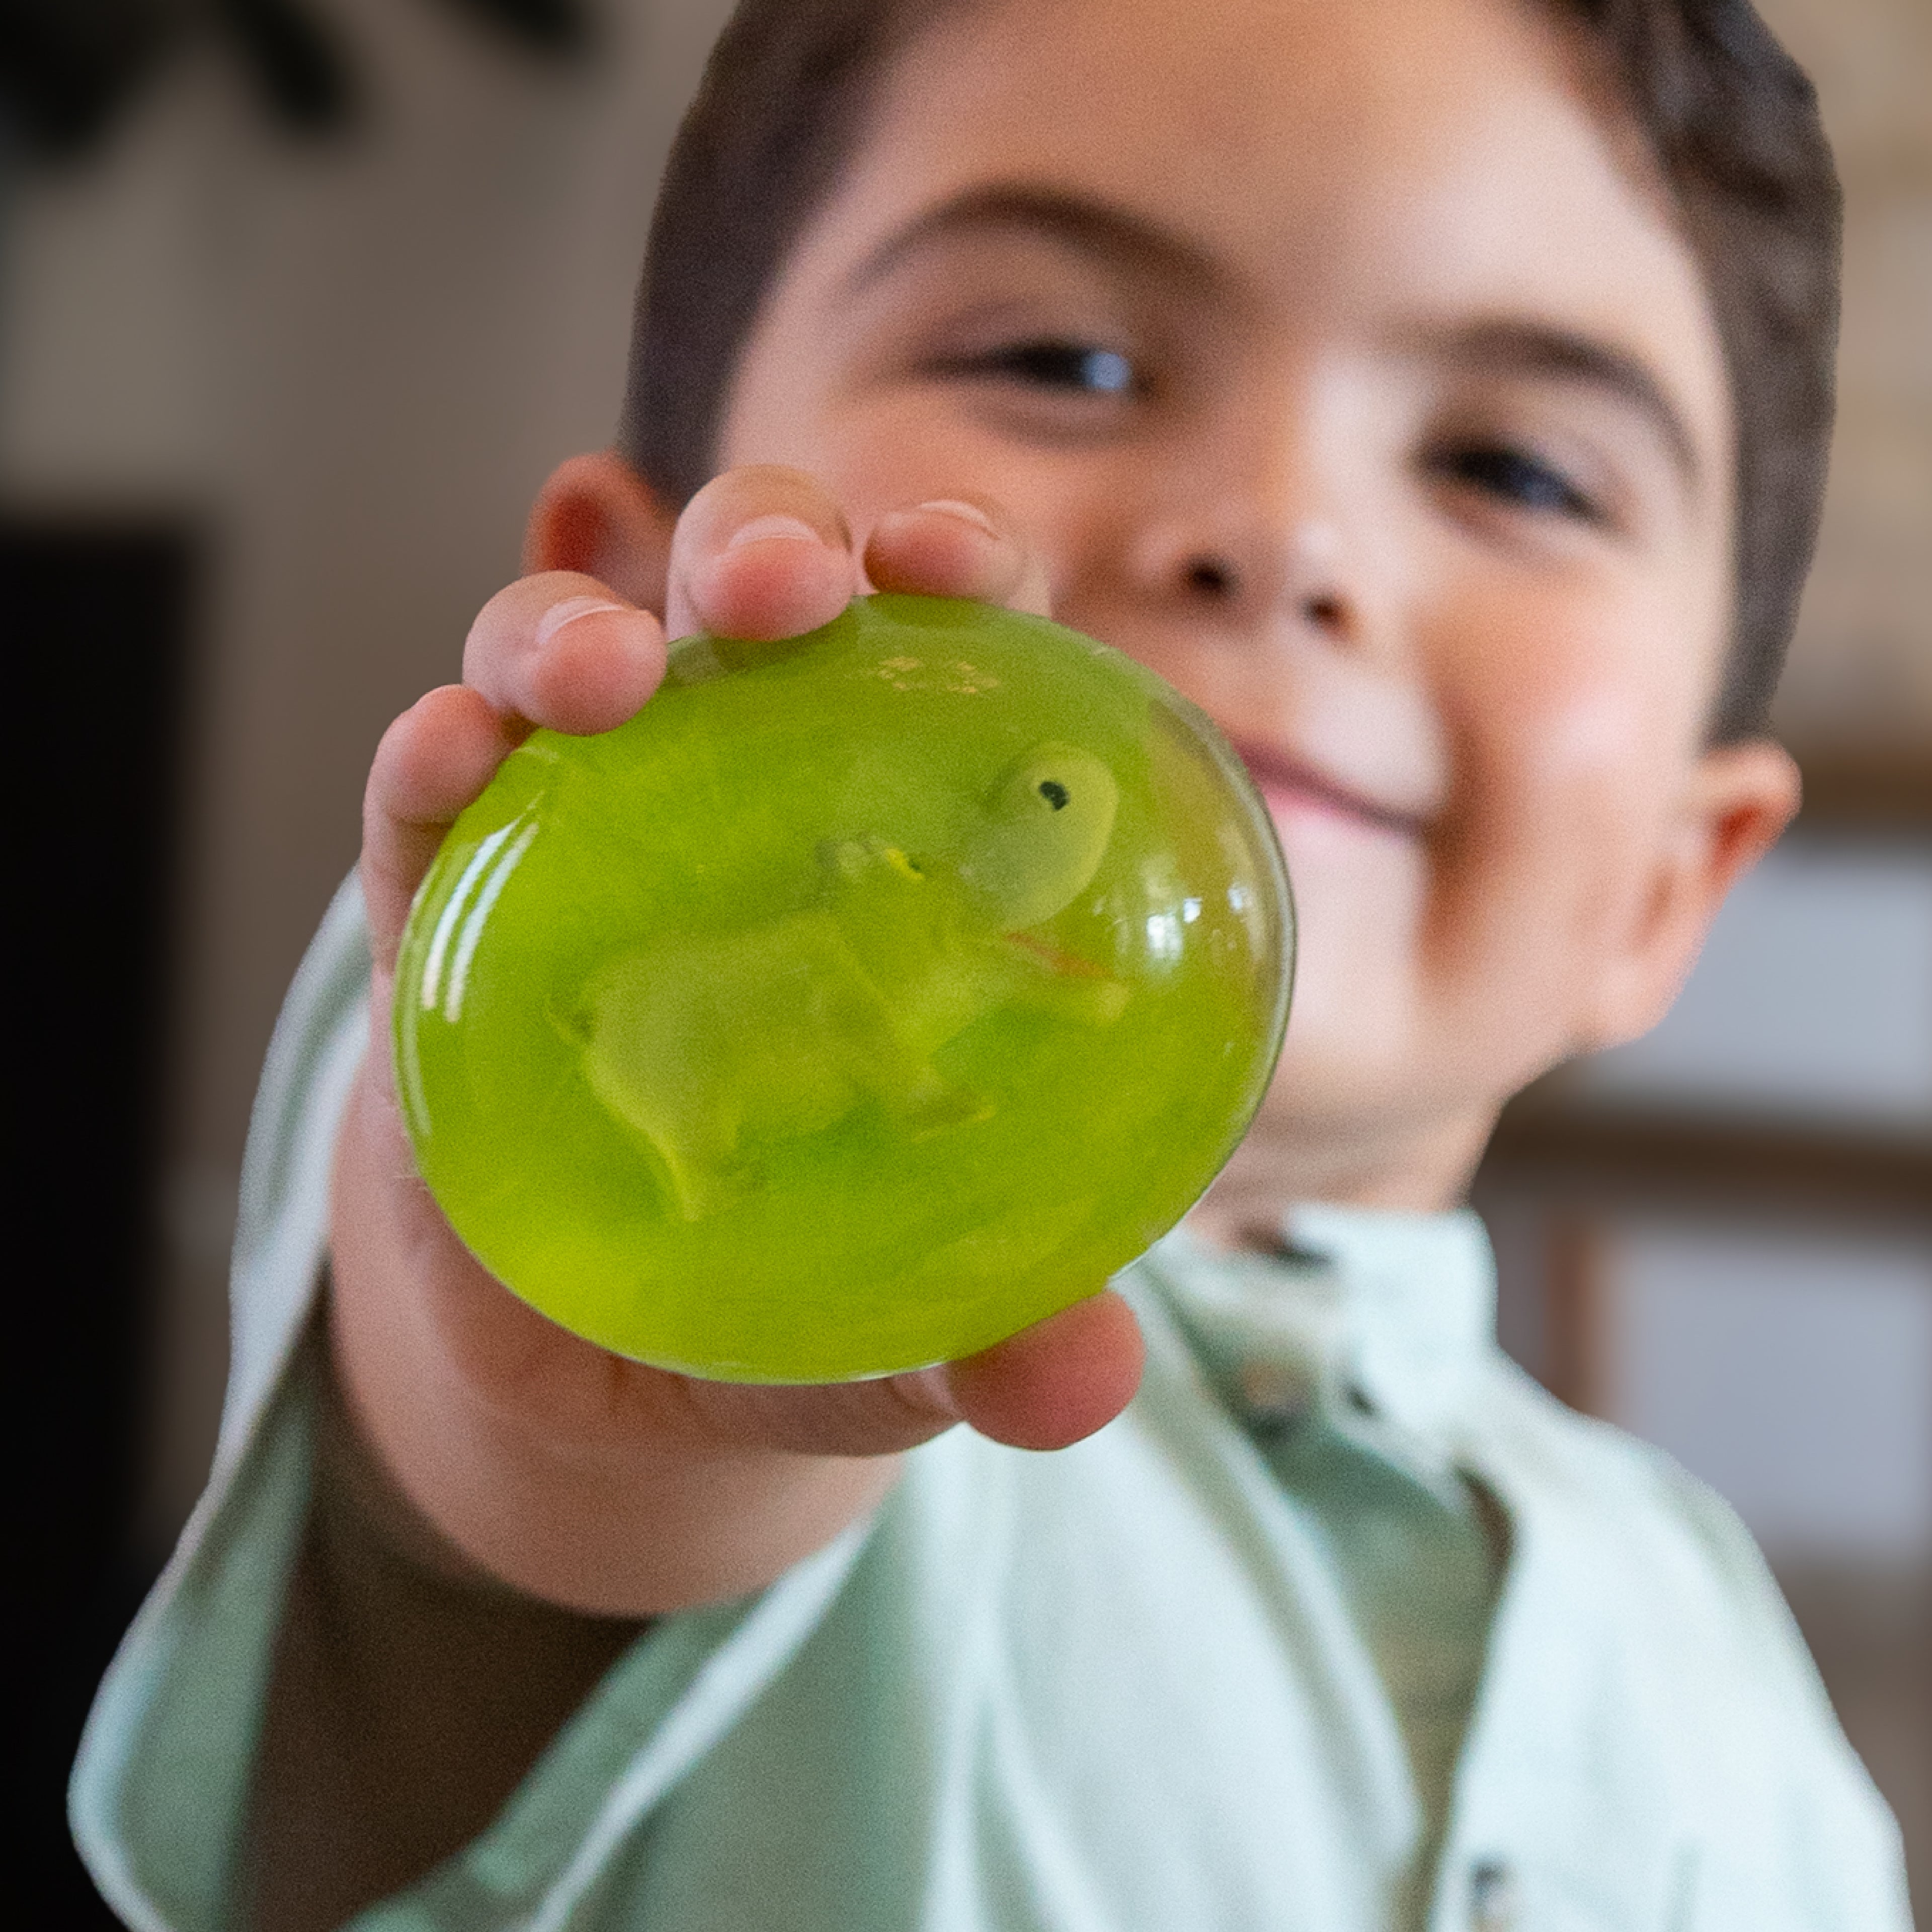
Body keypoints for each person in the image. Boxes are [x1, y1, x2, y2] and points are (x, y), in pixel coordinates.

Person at [73, 0, 1912, 1926]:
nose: (1279, 534)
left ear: (1670, 893)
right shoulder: (776, 1299)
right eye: (1067, 359)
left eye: (1518, 472)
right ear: (640, 617)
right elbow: (502, 1527)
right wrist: (601, 1398)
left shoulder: (1705, 1636)